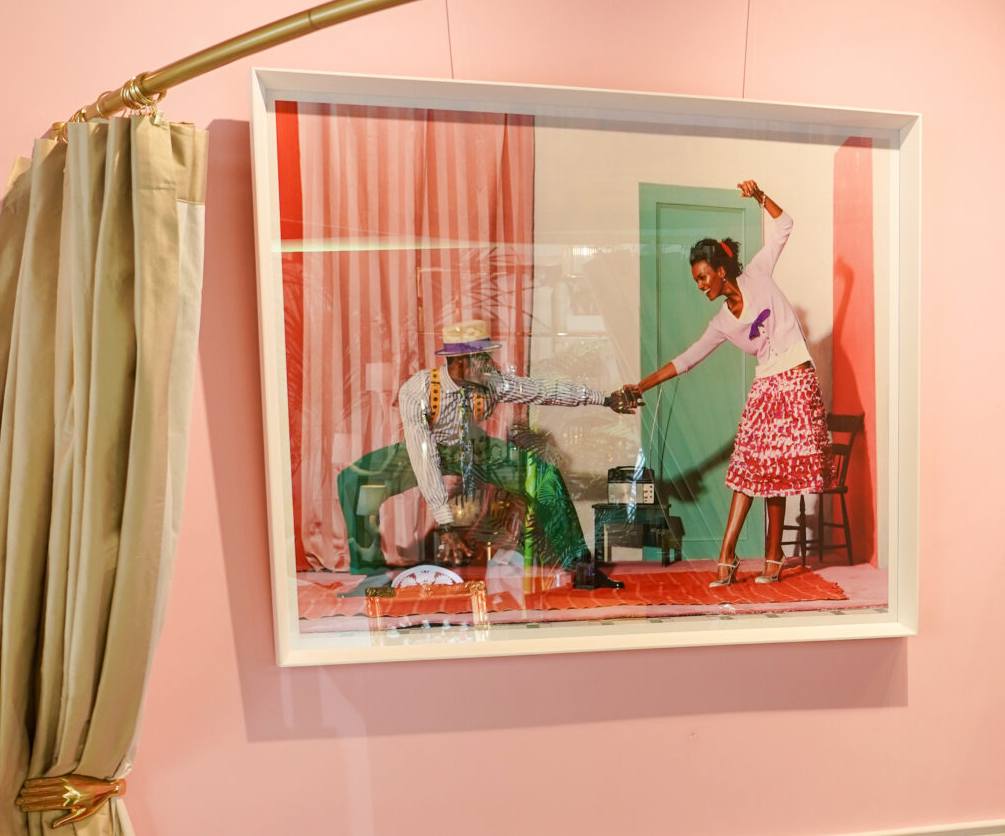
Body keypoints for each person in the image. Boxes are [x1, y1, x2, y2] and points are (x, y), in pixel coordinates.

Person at [620, 180, 829, 585]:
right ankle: (731, 556)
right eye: (696, 281)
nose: (700, 285)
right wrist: (641, 386)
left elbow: (785, 224)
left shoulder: (757, 273)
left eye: (703, 277)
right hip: (767, 384)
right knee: (749, 466)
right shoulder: (720, 323)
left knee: (776, 469)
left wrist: (760, 196)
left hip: (796, 377)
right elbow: (686, 359)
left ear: (720, 270)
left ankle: (766, 557)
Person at [337, 323, 628, 575]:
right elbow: (424, 458)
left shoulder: (492, 383)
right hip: (427, 446)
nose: (489, 364)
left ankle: (577, 564)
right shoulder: (418, 390)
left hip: (474, 447)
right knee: (353, 480)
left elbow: (543, 391)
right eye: (481, 358)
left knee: (545, 477)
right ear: (459, 361)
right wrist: (446, 525)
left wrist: (603, 399)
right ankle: (369, 571)